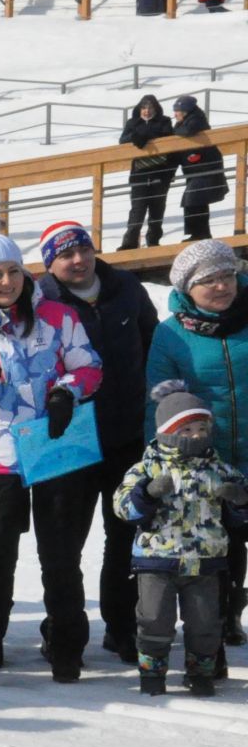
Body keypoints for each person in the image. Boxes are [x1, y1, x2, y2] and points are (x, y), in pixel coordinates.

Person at [0, 234, 103, 690]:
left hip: (53, 448)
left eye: (13, 271)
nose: (7, 281)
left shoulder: (58, 316)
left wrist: (64, 391)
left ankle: (67, 650)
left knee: (60, 556)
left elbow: (89, 365)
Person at [38, 220, 156, 662]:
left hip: (125, 434)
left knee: (125, 536)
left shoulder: (125, 286)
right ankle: (63, 630)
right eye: (65, 254)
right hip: (67, 439)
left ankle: (122, 628)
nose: (77, 260)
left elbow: (152, 341)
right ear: (51, 263)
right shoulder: (41, 299)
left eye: (82, 249)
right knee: (62, 542)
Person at [145, 240, 248, 648]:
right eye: (209, 280)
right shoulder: (171, 335)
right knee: (222, 539)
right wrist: (159, 460)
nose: (222, 286)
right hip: (208, 456)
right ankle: (223, 616)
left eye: (227, 276)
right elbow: (158, 401)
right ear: (188, 288)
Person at [117, 381, 248, 696]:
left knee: (205, 623)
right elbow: (123, 508)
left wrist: (238, 499)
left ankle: (200, 674)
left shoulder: (220, 470)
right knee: (154, 620)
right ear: (168, 432)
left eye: (201, 428)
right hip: (157, 560)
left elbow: (241, 519)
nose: (197, 436)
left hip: (206, 561)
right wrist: (146, 493)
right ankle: (152, 674)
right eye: (187, 429)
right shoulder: (146, 468)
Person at [120, 95, 176, 249]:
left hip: (160, 172)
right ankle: (129, 242)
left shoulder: (164, 121)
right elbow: (123, 141)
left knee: (157, 209)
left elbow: (167, 137)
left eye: (150, 108)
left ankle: (153, 241)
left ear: (156, 109)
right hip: (140, 173)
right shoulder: (133, 123)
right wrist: (135, 136)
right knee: (137, 210)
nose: (147, 111)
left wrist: (146, 135)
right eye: (144, 108)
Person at [173, 95, 227, 241]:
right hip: (196, 169)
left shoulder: (196, 119)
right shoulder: (182, 123)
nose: (175, 114)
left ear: (185, 111)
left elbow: (189, 130)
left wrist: (172, 134)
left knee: (193, 198)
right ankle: (200, 233)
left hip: (206, 168)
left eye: (177, 111)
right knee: (197, 200)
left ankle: (199, 233)